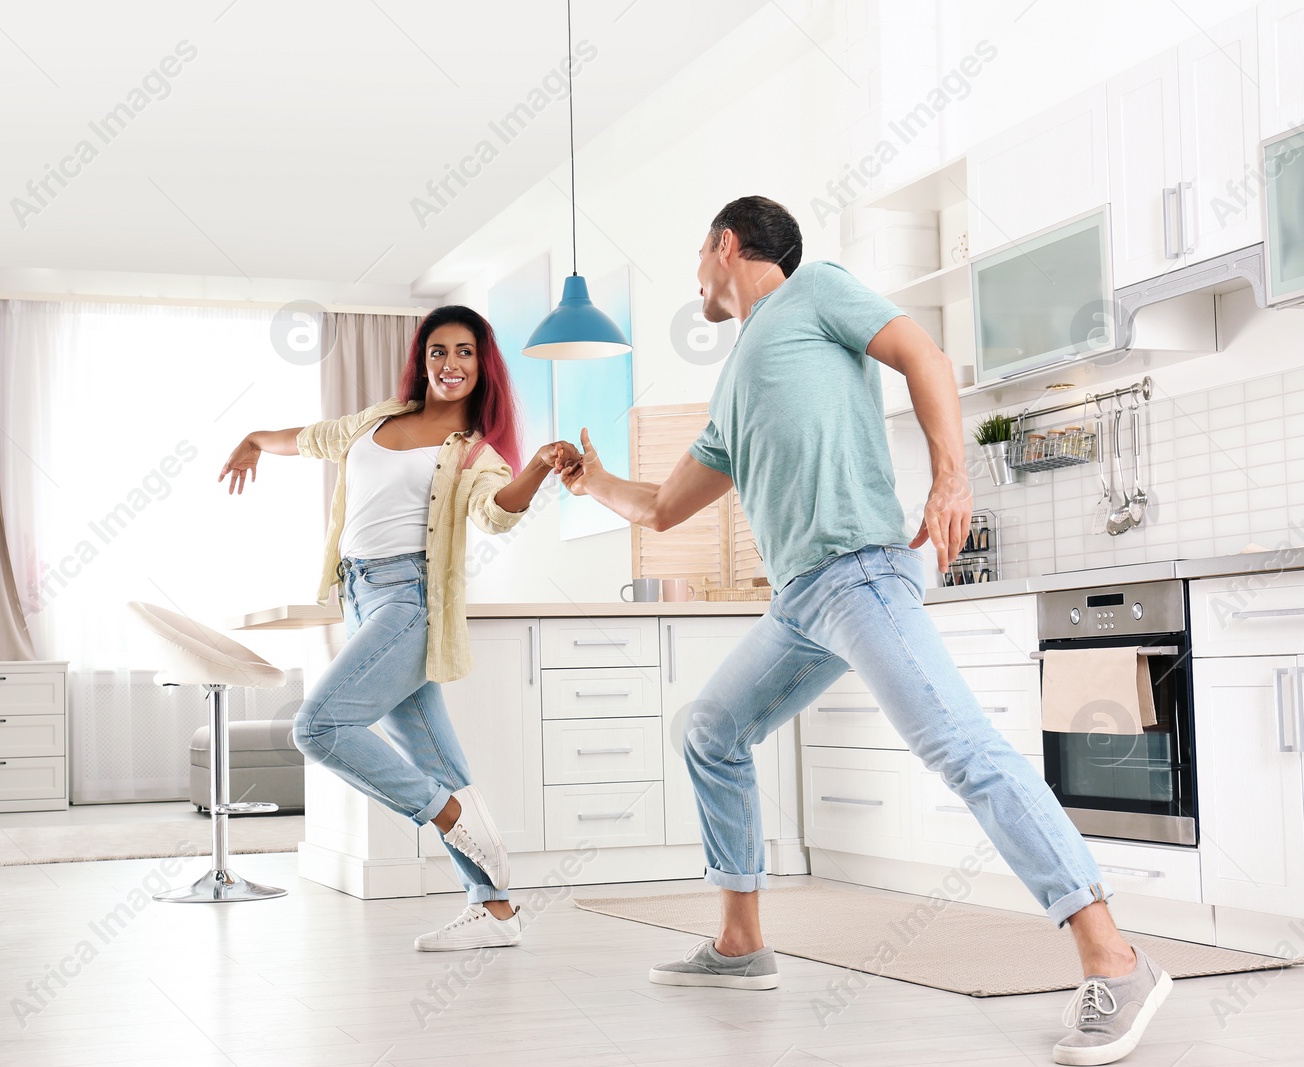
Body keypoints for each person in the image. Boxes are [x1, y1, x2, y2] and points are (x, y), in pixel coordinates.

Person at [558, 197, 1170, 1067]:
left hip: (859, 572)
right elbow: (660, 508)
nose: (696, 269)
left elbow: (924, 353)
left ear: (727, 244)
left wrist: (952, 480)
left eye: (700, 250)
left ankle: (1117, 957)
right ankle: (740, 945)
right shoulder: (734, 382)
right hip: (800, 600)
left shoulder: (815, 295)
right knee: (710, 728)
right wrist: (593, 481)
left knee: (961, 747)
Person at [219, 304, 579, 952]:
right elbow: (316, 438)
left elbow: (496, 512)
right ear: (423, 359)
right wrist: (255, 438)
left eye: (465, 352)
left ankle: (445, 814)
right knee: (437, 757)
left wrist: (540, 466)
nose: (450, 363)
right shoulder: (380, 418)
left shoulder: (474, 450)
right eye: (439, 350)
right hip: (356, 596)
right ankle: (495, 910)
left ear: (482, 364)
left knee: (318, 726)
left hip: (410, 601)